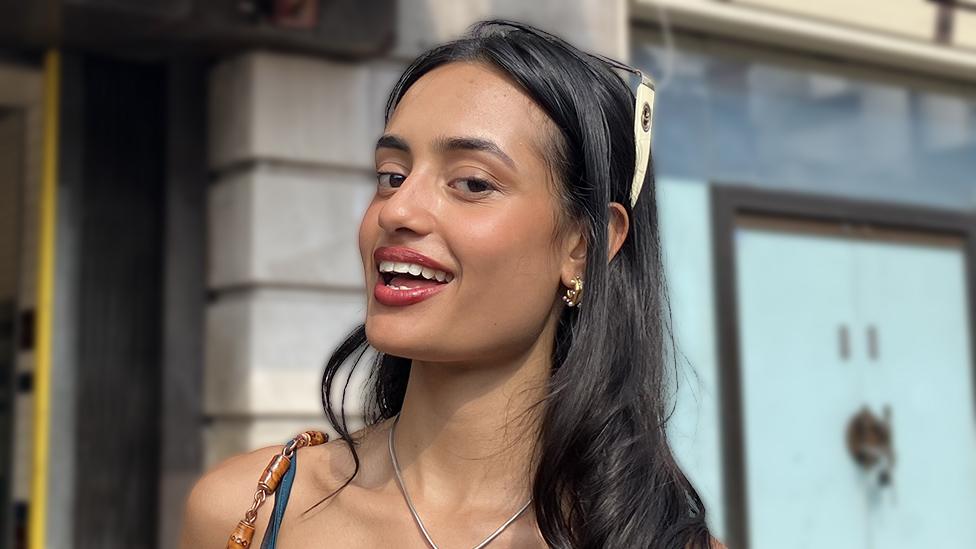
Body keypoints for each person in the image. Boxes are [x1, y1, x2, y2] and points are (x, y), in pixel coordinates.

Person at [180, 20, 722, 549]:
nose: (399, 209)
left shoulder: (650, 539)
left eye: (471, 182)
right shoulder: (247, 511)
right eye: (391, 175)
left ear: (584, 245)